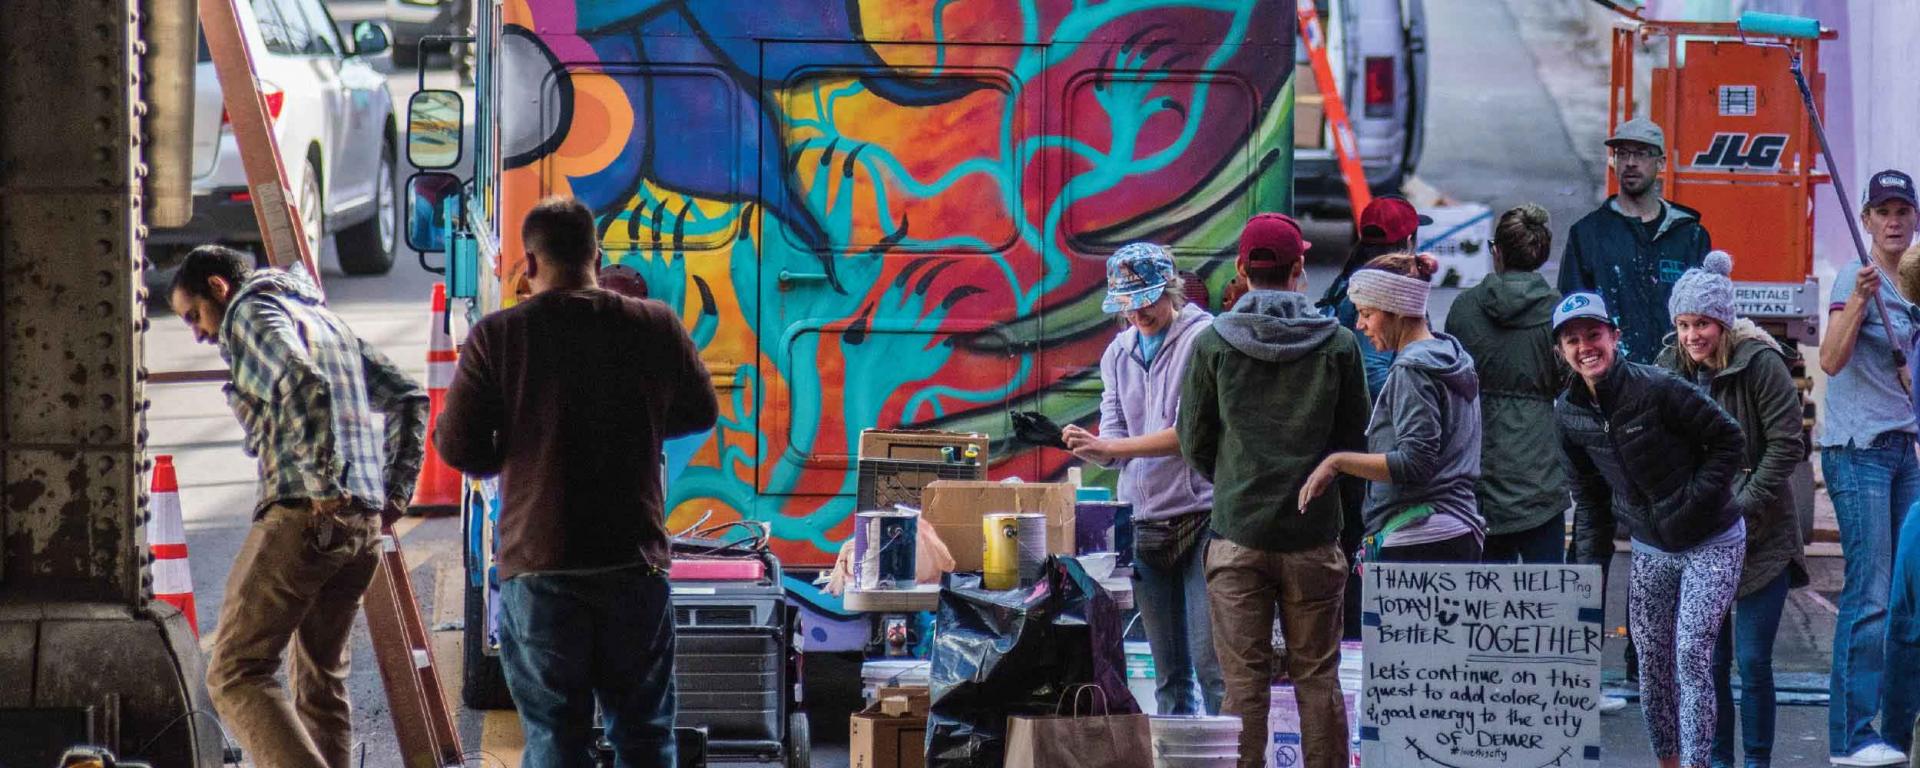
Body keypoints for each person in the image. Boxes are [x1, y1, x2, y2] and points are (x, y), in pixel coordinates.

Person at [435, 197, 719, 767]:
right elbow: (699, 411)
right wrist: (640, 426)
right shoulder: (654, 323)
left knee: (556, 739)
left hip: (541, 567)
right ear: (595, 255)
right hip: (633, 563)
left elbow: (459, 448)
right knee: (643, 735)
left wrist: (510, 450)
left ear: (532, 264)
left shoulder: (499, 336)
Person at [171, 245, 429, 768]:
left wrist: (322, 484)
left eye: (194, 315)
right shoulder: (321, 317)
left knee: (236, 673)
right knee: (319, 680)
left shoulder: (249, 312)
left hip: (305, 519)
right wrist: (395, 491)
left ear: (219, 287)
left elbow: (301, 380)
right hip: (361, 528)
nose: (197, 332)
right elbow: (407, 396)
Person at [1178, 213, 1371, 768]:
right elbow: (1352, 442)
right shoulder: (1337, 344)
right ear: (1299, 271)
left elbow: (1194, 440)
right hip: (1313, 538)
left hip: (1237, 536)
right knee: (1318, 680)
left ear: (1241, 270)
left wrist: (1239, 482)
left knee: (1243, 687)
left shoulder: (1214, 343)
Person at [1555, 291, 1746, 768]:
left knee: (1690, 654)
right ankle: (1669, 761)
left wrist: (1688, 506)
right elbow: (1591, 502)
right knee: (1652, 663)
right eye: (1573, 340)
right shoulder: (1568, 413)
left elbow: (1730, 441)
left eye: (1594, 335)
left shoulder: (1657, 387)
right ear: (1560, 350)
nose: (1586, 347)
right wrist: (1587, 578)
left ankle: (1698, 764)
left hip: (1713, 538)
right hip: (1650, 547)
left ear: (1614, 337)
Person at [1655, 251, 1808, 768]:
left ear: (1723, 322)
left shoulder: (1761, 363)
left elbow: (1787, 446)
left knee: (1753, 660)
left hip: (1762, 535)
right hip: (1701, 542)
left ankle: (1757, 761)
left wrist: (1738, 509)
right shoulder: (1667, 366)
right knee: (1708, 661)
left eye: (1703, 324)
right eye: (1683, 324)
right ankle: (1717, 759)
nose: (1693, 335)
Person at [1062, 242, 1223, 716]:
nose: (1138, 313)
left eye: (1147, 299)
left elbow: (1190, 433)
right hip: (1144, 520)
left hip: (1202, 516)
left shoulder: (1204, 340)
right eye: (1127, 305)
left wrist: (1111, 449)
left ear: (1171, 290)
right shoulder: (1118, 352)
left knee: (1209, 661)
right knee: (1168, 669)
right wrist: (1089, 445)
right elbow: (1113, 436)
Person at [1818, 170, 1920, 768]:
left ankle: (1896, 730)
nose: (1893, 220)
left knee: (1908, 600)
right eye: (1882, 210)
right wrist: (1857, 300)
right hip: (1858, 453)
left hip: (1902, 450)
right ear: (1865, 219)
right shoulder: (1851, 279)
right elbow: (1830, 360)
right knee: (1871, 595)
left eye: (1902, 209)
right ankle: (1850, 738)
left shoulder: (1908, 287)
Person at [1301, 252, 1485, 562]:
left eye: (1367, 313)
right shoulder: (1450, 356)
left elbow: (1415, 462)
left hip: (1418, 540)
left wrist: (1337, 462)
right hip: (1458, 530)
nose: (1360, 325)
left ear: (1397, 310)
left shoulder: (1412, 370)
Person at [1318, 195, 1431, 635]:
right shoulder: (1371, 297)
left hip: (1347, 444)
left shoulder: (1349, 284)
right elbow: (1376, 374)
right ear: (1406, 239)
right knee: (1364, 551)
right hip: (1368, 452)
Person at [1444, 204, 1567, 564]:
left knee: (1484, 604)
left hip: (1477, 473)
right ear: (1542, 254)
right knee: (1544, 601)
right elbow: (1569, 382)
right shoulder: (1560, 314)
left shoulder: (1464, 308)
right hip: (1540, 475)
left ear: (1496, 252)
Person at [1558, 117, 1714, 365]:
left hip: (1677, 381)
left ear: (1661, 163)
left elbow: (1708, 317)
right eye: (1622, 153)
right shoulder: (1587, 234)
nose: (1630, 162)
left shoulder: (1690, 235)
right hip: (1611, 381)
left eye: (1641, 154)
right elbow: (1573, 317)